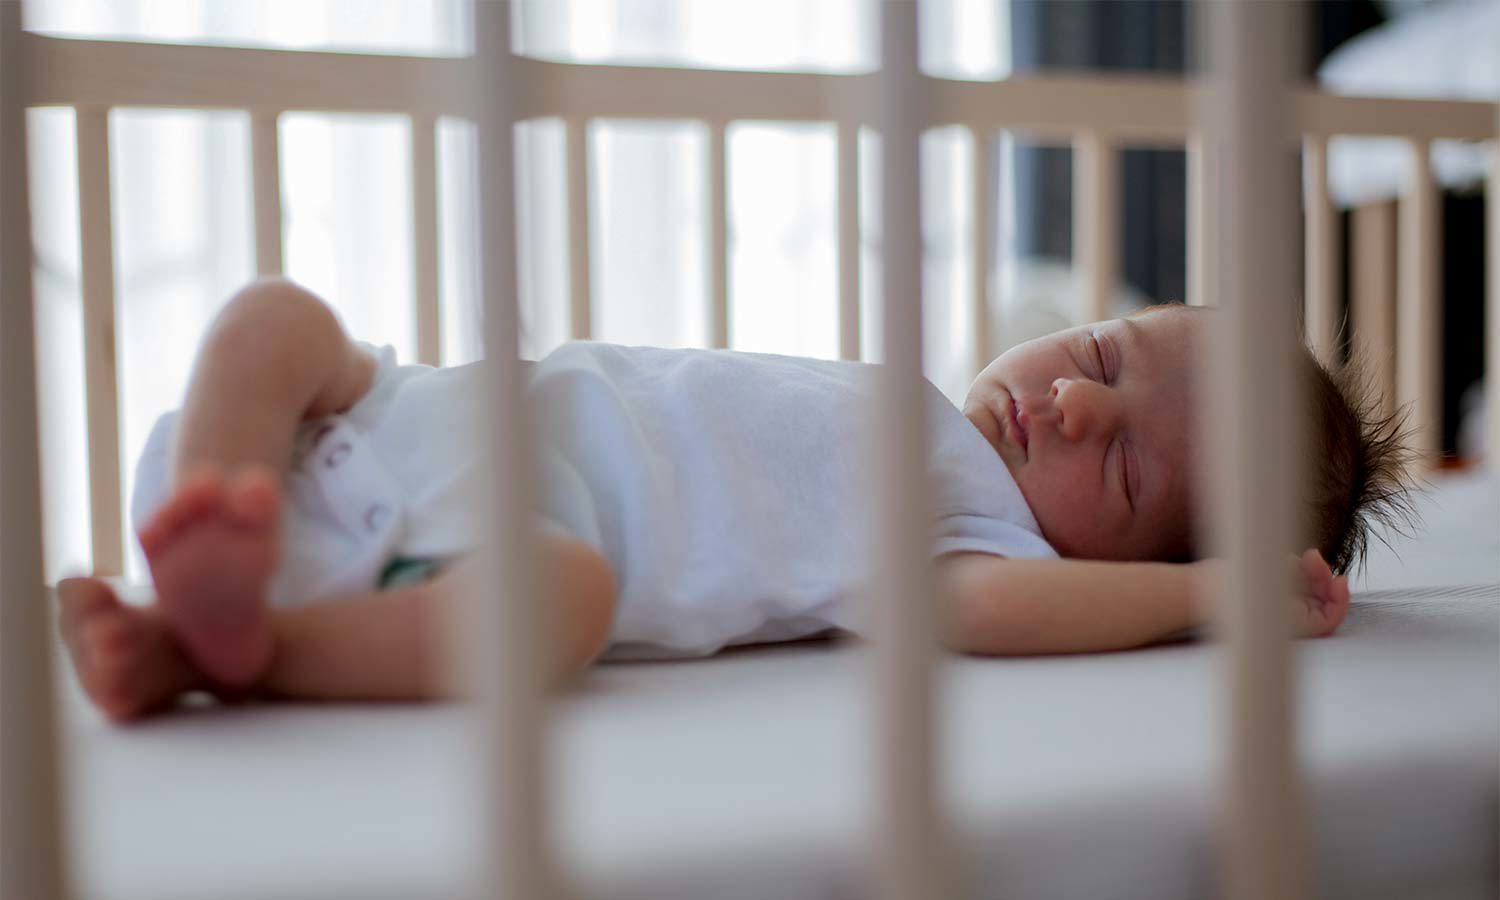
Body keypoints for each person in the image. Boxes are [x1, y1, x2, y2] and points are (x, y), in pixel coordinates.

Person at [56, 278, 1412, 721]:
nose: (1072, 404)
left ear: (1127, 557)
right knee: (275, 317)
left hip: (480, 557)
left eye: (1120, 467)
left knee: (563, 608)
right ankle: (213, 513)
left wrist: (1210, 596)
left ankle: (229, 643)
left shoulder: (973, 533)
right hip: (392, 419)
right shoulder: (920, 412)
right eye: (1105, 357)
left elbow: (983, 613)